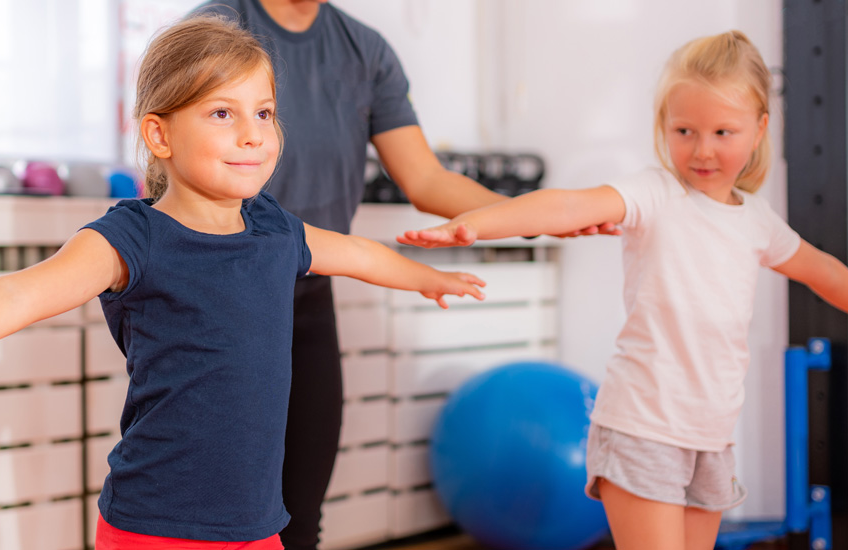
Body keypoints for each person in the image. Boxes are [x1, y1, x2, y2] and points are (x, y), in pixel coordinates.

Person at [0, 16, 488, 550]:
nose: (254, 134)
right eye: (223, 114)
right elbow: (8, 297)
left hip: (258, 528)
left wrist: (427, 278)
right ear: (160, 134)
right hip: (157, 528)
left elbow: (359, 255)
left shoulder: (276, 232)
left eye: (264, 113)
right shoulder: (131, 239)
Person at [396, 30, 848, 550]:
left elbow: (820, 270)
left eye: (723, 132)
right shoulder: (654, 193)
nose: (702, 150)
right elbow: (564, 206)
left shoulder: (757, 221)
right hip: (643, 428)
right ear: (663, 126)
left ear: (760, 129)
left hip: (711, 439)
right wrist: (474, 224)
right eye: (684, 130)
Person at [187, 2, 617, 547]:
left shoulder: (364, 50)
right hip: (222, 297)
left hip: (307, 298)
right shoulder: (220, 24)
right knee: (216, 513)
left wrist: (527, 219)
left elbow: (424, 178)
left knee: (299, 514)